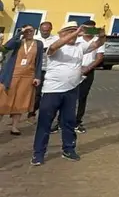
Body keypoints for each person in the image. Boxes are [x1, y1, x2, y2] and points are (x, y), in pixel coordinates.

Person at [32, 22, 105, 165]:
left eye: (76, 30)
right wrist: (75, 33)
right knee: (45, 123)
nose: (75, 34)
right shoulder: (55, 45)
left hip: (71, 90)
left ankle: (69, 149)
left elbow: (96, 45)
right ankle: (38, 153)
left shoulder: (79, 46)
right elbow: (54, 47)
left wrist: (102, 36)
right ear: (62, 34)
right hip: (52, 91)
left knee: (68, 122)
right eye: (70, 31)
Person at [0, 25, 43, 135]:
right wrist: (20, 33)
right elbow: (7, 47)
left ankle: (14, 127)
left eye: (31, 30)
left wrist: (37, 76)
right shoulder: (18, 42)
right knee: (3, 100)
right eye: (27, 31)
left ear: (34, 31)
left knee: (20, 101)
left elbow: (39, 61)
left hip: (28, 76)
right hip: (12, 75)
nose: (29, 32)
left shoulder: (38, 44)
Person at [73, 20, 105, 133]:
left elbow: (99, 57)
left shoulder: (97, 41)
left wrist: (88, 68)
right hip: (73, 69)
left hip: (88, 70)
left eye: (92, 28)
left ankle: (77, 122)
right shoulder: (77, 39)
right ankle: (61, 121)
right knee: (68, 96)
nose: (89, 30)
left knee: (82, 97)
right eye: (87, 28)